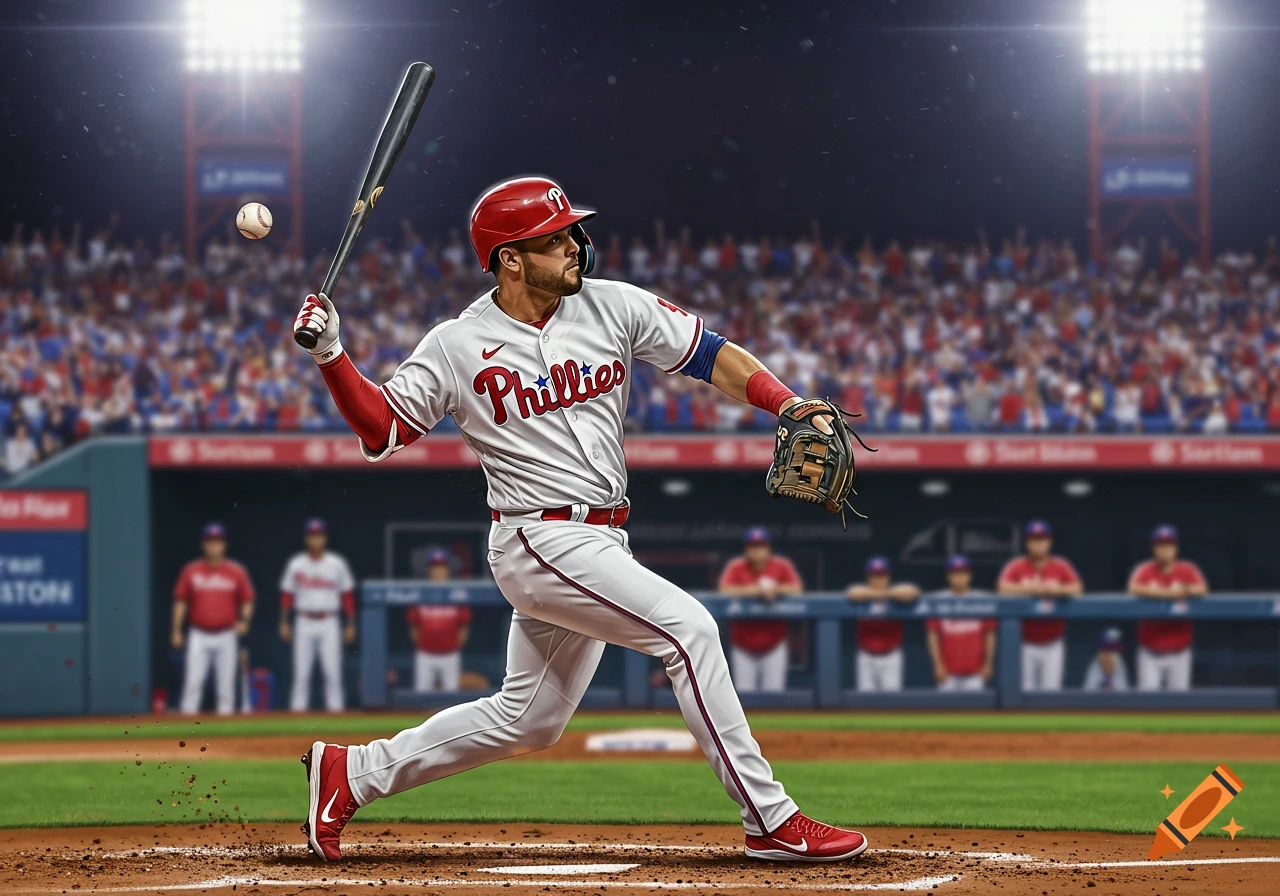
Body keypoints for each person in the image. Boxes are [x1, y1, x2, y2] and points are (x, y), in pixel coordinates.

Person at [291, 176, 866, 863]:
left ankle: (351, 773)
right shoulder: (457, 343)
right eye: (556, 237)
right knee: (689, 632)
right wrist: (332, 356)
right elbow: (382, 430)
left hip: (602, 537)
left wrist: (788, 403)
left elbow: (709, 353)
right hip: (537, 535)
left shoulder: (611, 306)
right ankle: (770, 819)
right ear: (510, 257)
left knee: (528, 719)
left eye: (572, 231)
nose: (575, 245)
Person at [171, 523, 255, 715]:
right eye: (210, 541)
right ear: (203, 545)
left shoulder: (236, 571)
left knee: (226, 687)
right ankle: (186, 729)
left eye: (217, 542)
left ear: (224, 545)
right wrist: (176, 630)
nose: (214, 546)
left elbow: (247, 600)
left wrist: (245, 621)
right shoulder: (191, 570)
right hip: (198, 633)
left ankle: (226, 739)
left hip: (226, 634)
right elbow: (180, 601)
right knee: (193, 683)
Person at [279, 518, 357, 712]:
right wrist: (284, 621)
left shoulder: (336, 564)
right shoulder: (296, 564)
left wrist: (350, 623)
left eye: (319, 535)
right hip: (304, 620)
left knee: (332, 672)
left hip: (329, 621)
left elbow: (347, 596)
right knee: (301, 674)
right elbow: (287, 595)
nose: (316, 540)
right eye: (312, 536)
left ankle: (337, 715)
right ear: (307, 539)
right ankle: (297, 719)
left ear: (325, 538)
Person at [996, 520, 1082, 693]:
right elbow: (1002, 588)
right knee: (1023, 693)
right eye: (1034, 539)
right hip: (1024, 642)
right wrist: (1031, 589)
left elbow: (1077, 588)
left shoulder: (1061, 565)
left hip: (1053, 642)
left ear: (1049, 542)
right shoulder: (1016, 566)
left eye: (1042, 539)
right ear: (1027, 542)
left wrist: (1057, 590)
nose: (1038, 543)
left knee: (1051, 695)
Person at [717, 527, 803, 694]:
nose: (756, 550)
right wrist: (755, 590)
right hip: (742, 643)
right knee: (744, 695)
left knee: (774, 696)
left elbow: (796, 589)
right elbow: (724, 590)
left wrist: (775, 589)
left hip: (774, 643)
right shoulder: (737, 566)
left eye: (761, 546)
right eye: (752, 546)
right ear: (746, 549)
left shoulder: (781, 565)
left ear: (768, 548)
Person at [1128, 525, 1206, 691]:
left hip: (1180, 652)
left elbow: (1202, 589)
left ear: (1176, 547)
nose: (1165, 549)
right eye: (1160, 545)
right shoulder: (1144, 570)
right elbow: (1133, 588)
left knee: (1179, 709)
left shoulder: (1188, 570)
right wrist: (1167, 593)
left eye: (1169, 545)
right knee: (1147, 708)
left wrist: (1186, 590)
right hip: (1150, 652)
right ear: (1153, 548)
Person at [846, 555, 919, 692]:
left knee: (891, 706)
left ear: (888, 576)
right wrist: (878, 594)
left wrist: (885, 594)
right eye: (874, 575)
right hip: (866, 657)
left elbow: (912, 592)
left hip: (890, 657)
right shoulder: (863, 594)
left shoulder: (896, 595)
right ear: (868, 577)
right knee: (865, 705)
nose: (878, 579)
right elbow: (851, 593)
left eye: (881, 575)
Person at [925, 555, 996, 692]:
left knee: (975, 712)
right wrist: (937, 665)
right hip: (947, 673)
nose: (959, 577)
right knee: (946, 712)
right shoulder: (938, 600)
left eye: (963, 572)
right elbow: (933, 635)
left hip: (975, 672)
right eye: (955, 573)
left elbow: (989, 634)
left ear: (970, 575)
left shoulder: (982, 600)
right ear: (948, 576)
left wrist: (988, 663)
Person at [406, 548, 473, 692]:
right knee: (421, 698)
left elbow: (464, 626)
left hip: (450, 655)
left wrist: (453, 646)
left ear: (447, 570)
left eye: (441, 567)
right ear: (429, 570)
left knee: (451, 700)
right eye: (435, 567)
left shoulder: (457, 593)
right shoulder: (420, 592)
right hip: (425, 655)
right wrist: (424, 645)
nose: (438, 571)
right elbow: (413, 625)